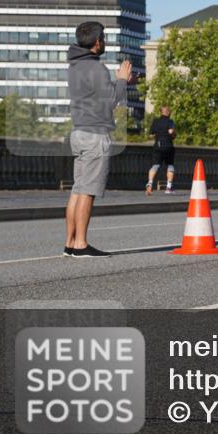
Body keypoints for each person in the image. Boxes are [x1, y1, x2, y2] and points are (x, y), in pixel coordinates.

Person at [63, 21, 133, 258]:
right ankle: (81, 244)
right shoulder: (96, 68)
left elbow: (95, 95)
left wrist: (119, 83)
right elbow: (110, 101)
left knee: (77, 190)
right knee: (88, 191)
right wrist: (122, 80)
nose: (104, 42)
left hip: (79, 132)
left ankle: (70, 243)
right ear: (96, 42)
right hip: (95, 135)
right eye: (103, 38)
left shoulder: (74, 66)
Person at [146, 106, 176, 195]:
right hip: (168, 146)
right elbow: (171, 132)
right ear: (167, 112)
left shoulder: (156, 121)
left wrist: (158, 135)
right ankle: (168, 188)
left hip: (158, 146)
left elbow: (151, 135)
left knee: (155, 165)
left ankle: (150, 183)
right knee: (170, 165)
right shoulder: (170, 121)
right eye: (169, 111)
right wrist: (173, 134)